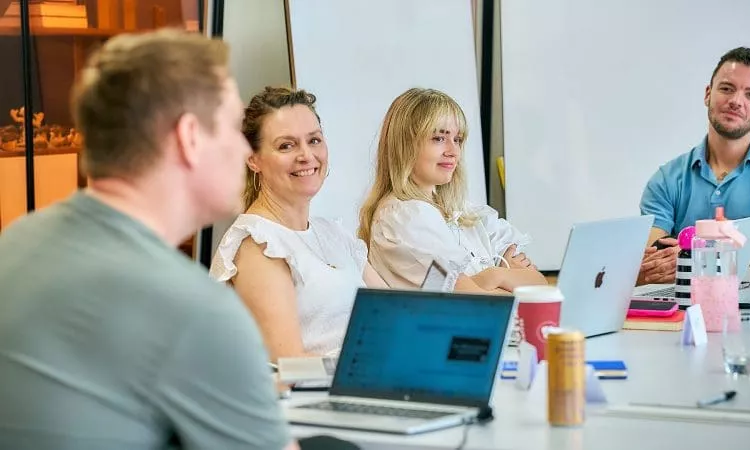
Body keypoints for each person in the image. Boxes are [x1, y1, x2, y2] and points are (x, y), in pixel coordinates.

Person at [0, 30, 297, 449]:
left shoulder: (16, 243)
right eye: (232, 128)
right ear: (189, 137)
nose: (242, 150)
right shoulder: (194, 307)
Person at [210, 87, 387, 360]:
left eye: (314, 140)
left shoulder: (332, 233)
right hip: (312, 396)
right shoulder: (258, 244)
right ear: (253, 159)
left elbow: (396, 310)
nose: (306, 155)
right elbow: (288, 366)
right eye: (286, 145)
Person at [358, 87, 547, 293]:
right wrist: (499, 275)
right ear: (405, 145)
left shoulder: (463, 212)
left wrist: (492, 277)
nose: (453, 151)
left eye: (457, 139)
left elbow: (540, 285)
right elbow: (474, 303)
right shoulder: (404, 216)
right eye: (439, 138)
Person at [639, 47, 750, 285]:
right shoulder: (667, 179)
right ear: (708, 94)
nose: (736, 101)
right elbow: (650, 252)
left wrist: (696, 260)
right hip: (685, 310)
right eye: (727, 88)